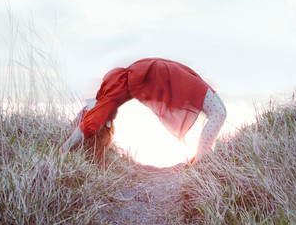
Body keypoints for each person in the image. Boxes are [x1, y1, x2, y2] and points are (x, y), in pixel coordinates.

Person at [60, 58, 226, 165]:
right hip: (167, 71)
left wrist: (64, 149)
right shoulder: (110, 88)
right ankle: (200, 163)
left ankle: (200, 162)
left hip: (169, 76)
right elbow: (89, 123)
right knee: (219, 113)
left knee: (219, 113)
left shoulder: (107, 97)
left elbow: (89, 124)